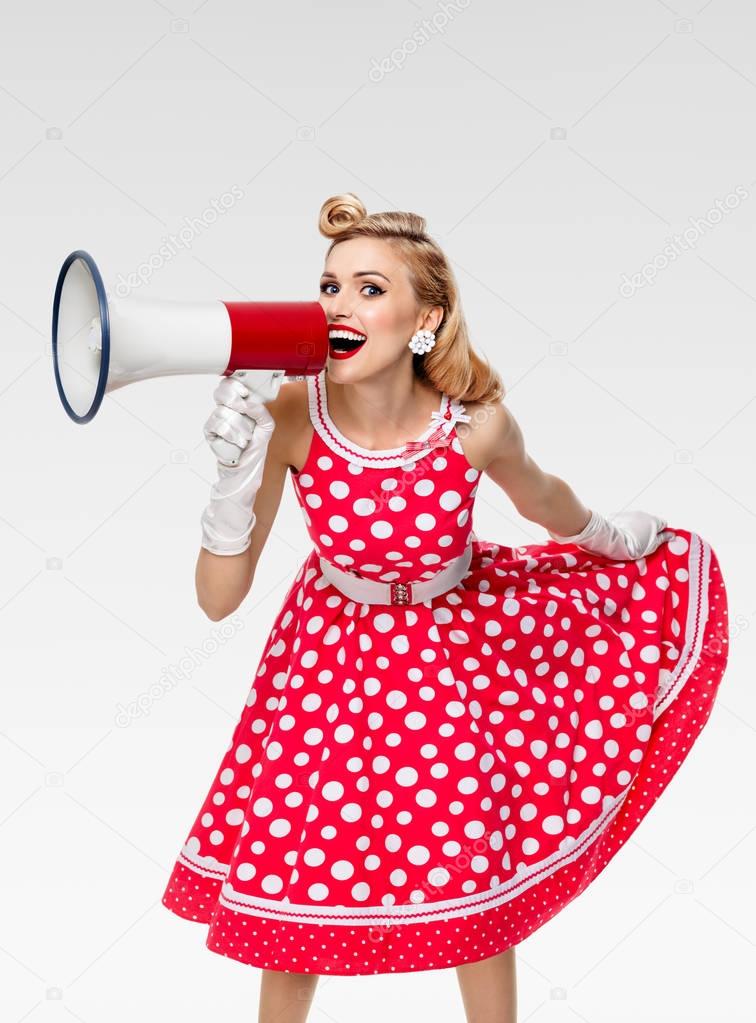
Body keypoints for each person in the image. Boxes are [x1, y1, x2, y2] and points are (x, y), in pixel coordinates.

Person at [161, 192, 729, 1023]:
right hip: (331, 665)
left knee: (474, 876)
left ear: (425, 317)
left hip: (451, 659)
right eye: (328, 288)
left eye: (367, 288)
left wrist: (616, 535)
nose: (338, 307)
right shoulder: (292, 417)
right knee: (290, 883)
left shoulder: (475, 425)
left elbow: (547, 503)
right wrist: (231, 480)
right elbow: (218, 601)